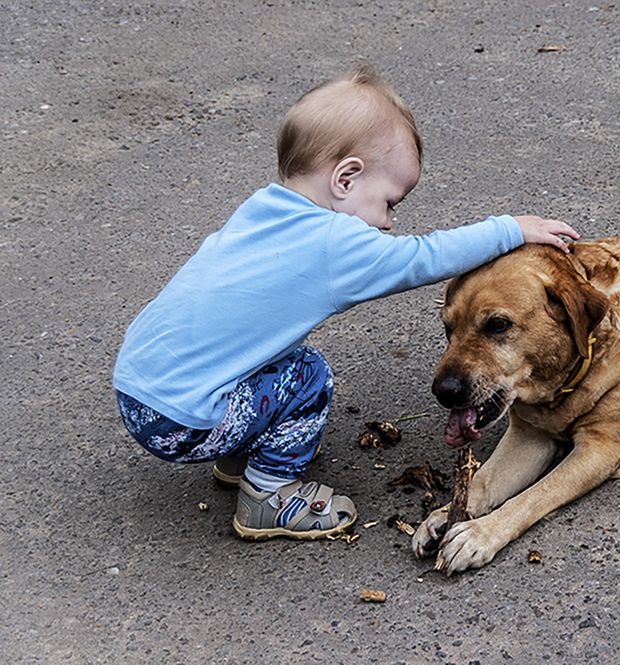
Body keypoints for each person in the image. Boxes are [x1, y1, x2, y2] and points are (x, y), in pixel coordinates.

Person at [112, 64, 579, 541]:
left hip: (139, 387)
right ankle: (269, 496)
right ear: (346, 179)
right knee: (307, 375)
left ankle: (240, 448)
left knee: (271, 355)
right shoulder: (335, 241)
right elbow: (424, 257)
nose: (388, 222)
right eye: (390, 202)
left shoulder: (262, 209)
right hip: (183, 418)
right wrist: (511, 229)